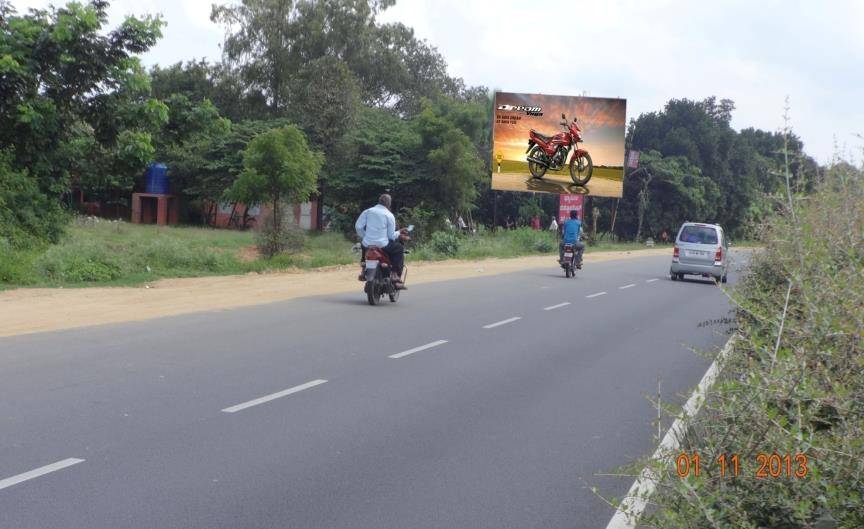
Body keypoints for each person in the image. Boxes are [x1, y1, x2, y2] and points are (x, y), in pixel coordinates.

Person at [355, 194, 410, 288]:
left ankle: (364, 269)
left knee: (364, 247)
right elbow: (391, 236)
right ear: (389, 204)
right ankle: (394, 274)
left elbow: (358, 227)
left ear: (379, 201)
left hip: (367, 244)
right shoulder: (389, 215)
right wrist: (399, 233)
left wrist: (366, 236)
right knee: (399, 248)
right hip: (382, 245)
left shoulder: (367, 211)